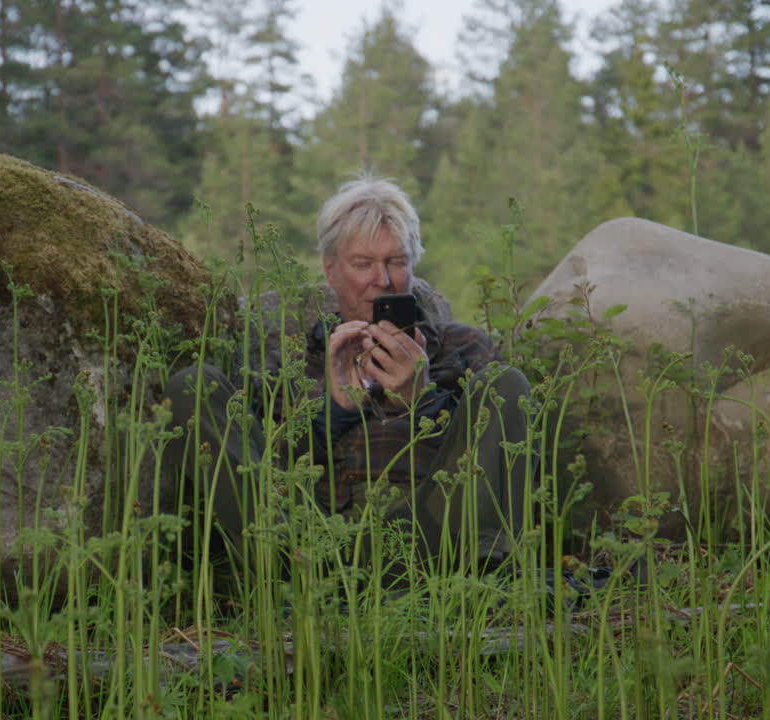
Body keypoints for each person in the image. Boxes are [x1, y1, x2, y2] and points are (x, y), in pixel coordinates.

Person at [163, 175, 534, 583]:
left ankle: (487, 571)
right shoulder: (290, 359)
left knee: (509, 384)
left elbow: (495, 463)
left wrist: (422, 399)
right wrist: (335, 412)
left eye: (397, 261)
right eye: (363, 264)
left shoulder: (461, 347)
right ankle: (289, 573)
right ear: (331, 271)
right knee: (194, 384)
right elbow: (260, 466)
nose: (384, 280)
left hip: (433, 536)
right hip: (309, 539)